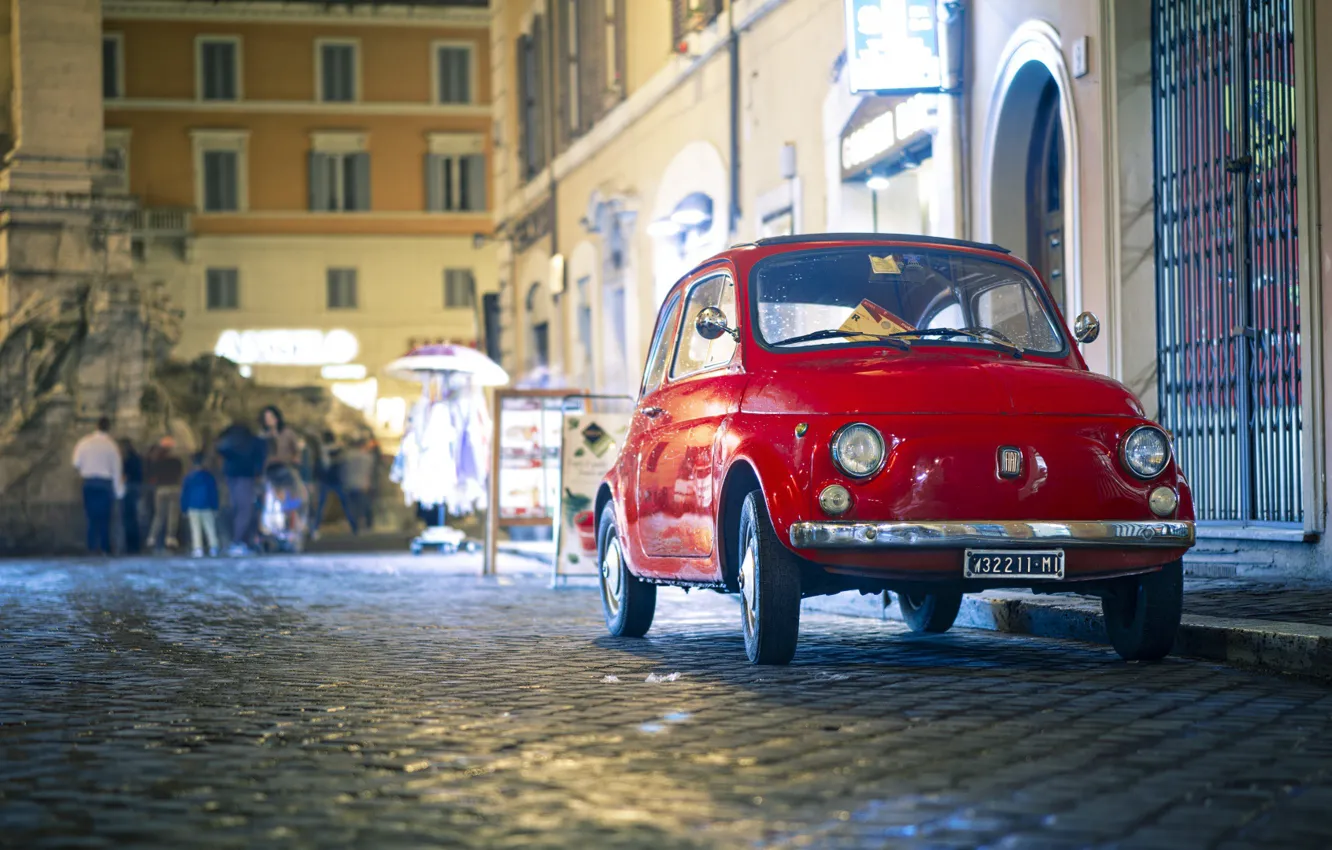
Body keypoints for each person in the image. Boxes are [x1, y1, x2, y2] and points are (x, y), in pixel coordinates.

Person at [72, 417, 124, 555]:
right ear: (109, 427)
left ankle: (91, 546)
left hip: (88, 482)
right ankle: (105, 547)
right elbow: (116, 469)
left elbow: (76, 463)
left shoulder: (84, 442)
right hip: (104, 484)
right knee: (105, 517)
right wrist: (119, 491)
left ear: (96, 426)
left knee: (91, 516)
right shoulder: (111, 445)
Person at [216, 420, 264, 555]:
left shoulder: (229, 440)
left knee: (235, 508)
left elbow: (221, 450)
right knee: (245, 509)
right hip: (246, 476)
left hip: (230, 476)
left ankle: (235, 541)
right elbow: (259, 458)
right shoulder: (253, 441)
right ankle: (238, 542)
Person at [144, 436, 184, 552]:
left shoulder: (157, 460)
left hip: (160, 489)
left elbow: (152, 475)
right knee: (173, 515)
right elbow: (179, 474)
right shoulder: (176, 461)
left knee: (159, 515)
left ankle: (152, 538)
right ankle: (170, 537)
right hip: (174, 488)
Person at [312, 430, 354, 538]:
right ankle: (354, 528)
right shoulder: (338, 450)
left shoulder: (323, 451)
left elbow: (321, 466)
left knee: (322, 505)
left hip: (328, 480)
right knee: (345, 505)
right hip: (335, 480)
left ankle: (315, 528)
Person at [180, 452, 220, 557]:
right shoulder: (209, 477)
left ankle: (198, 548)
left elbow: (185, 494)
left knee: (195, 529)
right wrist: (215, 507)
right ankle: (213, 547)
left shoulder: (188, 478)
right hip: (207, 506)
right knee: (210, 527)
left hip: (192, 506)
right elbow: (213, 493)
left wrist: (184, 508)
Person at [119, 438, 143, 554]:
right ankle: (133, 546)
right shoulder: (135, 459)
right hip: (134, 489)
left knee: (129, 518)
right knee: (131, 518)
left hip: (129, 489)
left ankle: (132, 546)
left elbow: (127, 475)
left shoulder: (129, 460)